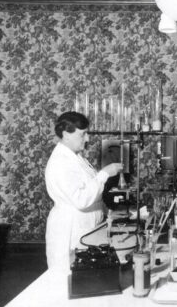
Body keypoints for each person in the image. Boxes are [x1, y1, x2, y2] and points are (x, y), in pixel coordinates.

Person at [45, 111, 123, 274]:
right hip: (70, 229)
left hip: (85, 226)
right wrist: (104, 174)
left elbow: (89, 188)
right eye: (83, 134)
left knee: (87, 279)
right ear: (66, 134)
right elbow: (81, 199)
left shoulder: (76, 158)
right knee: (68, 279)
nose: (87, 139)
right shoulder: (61, 162)